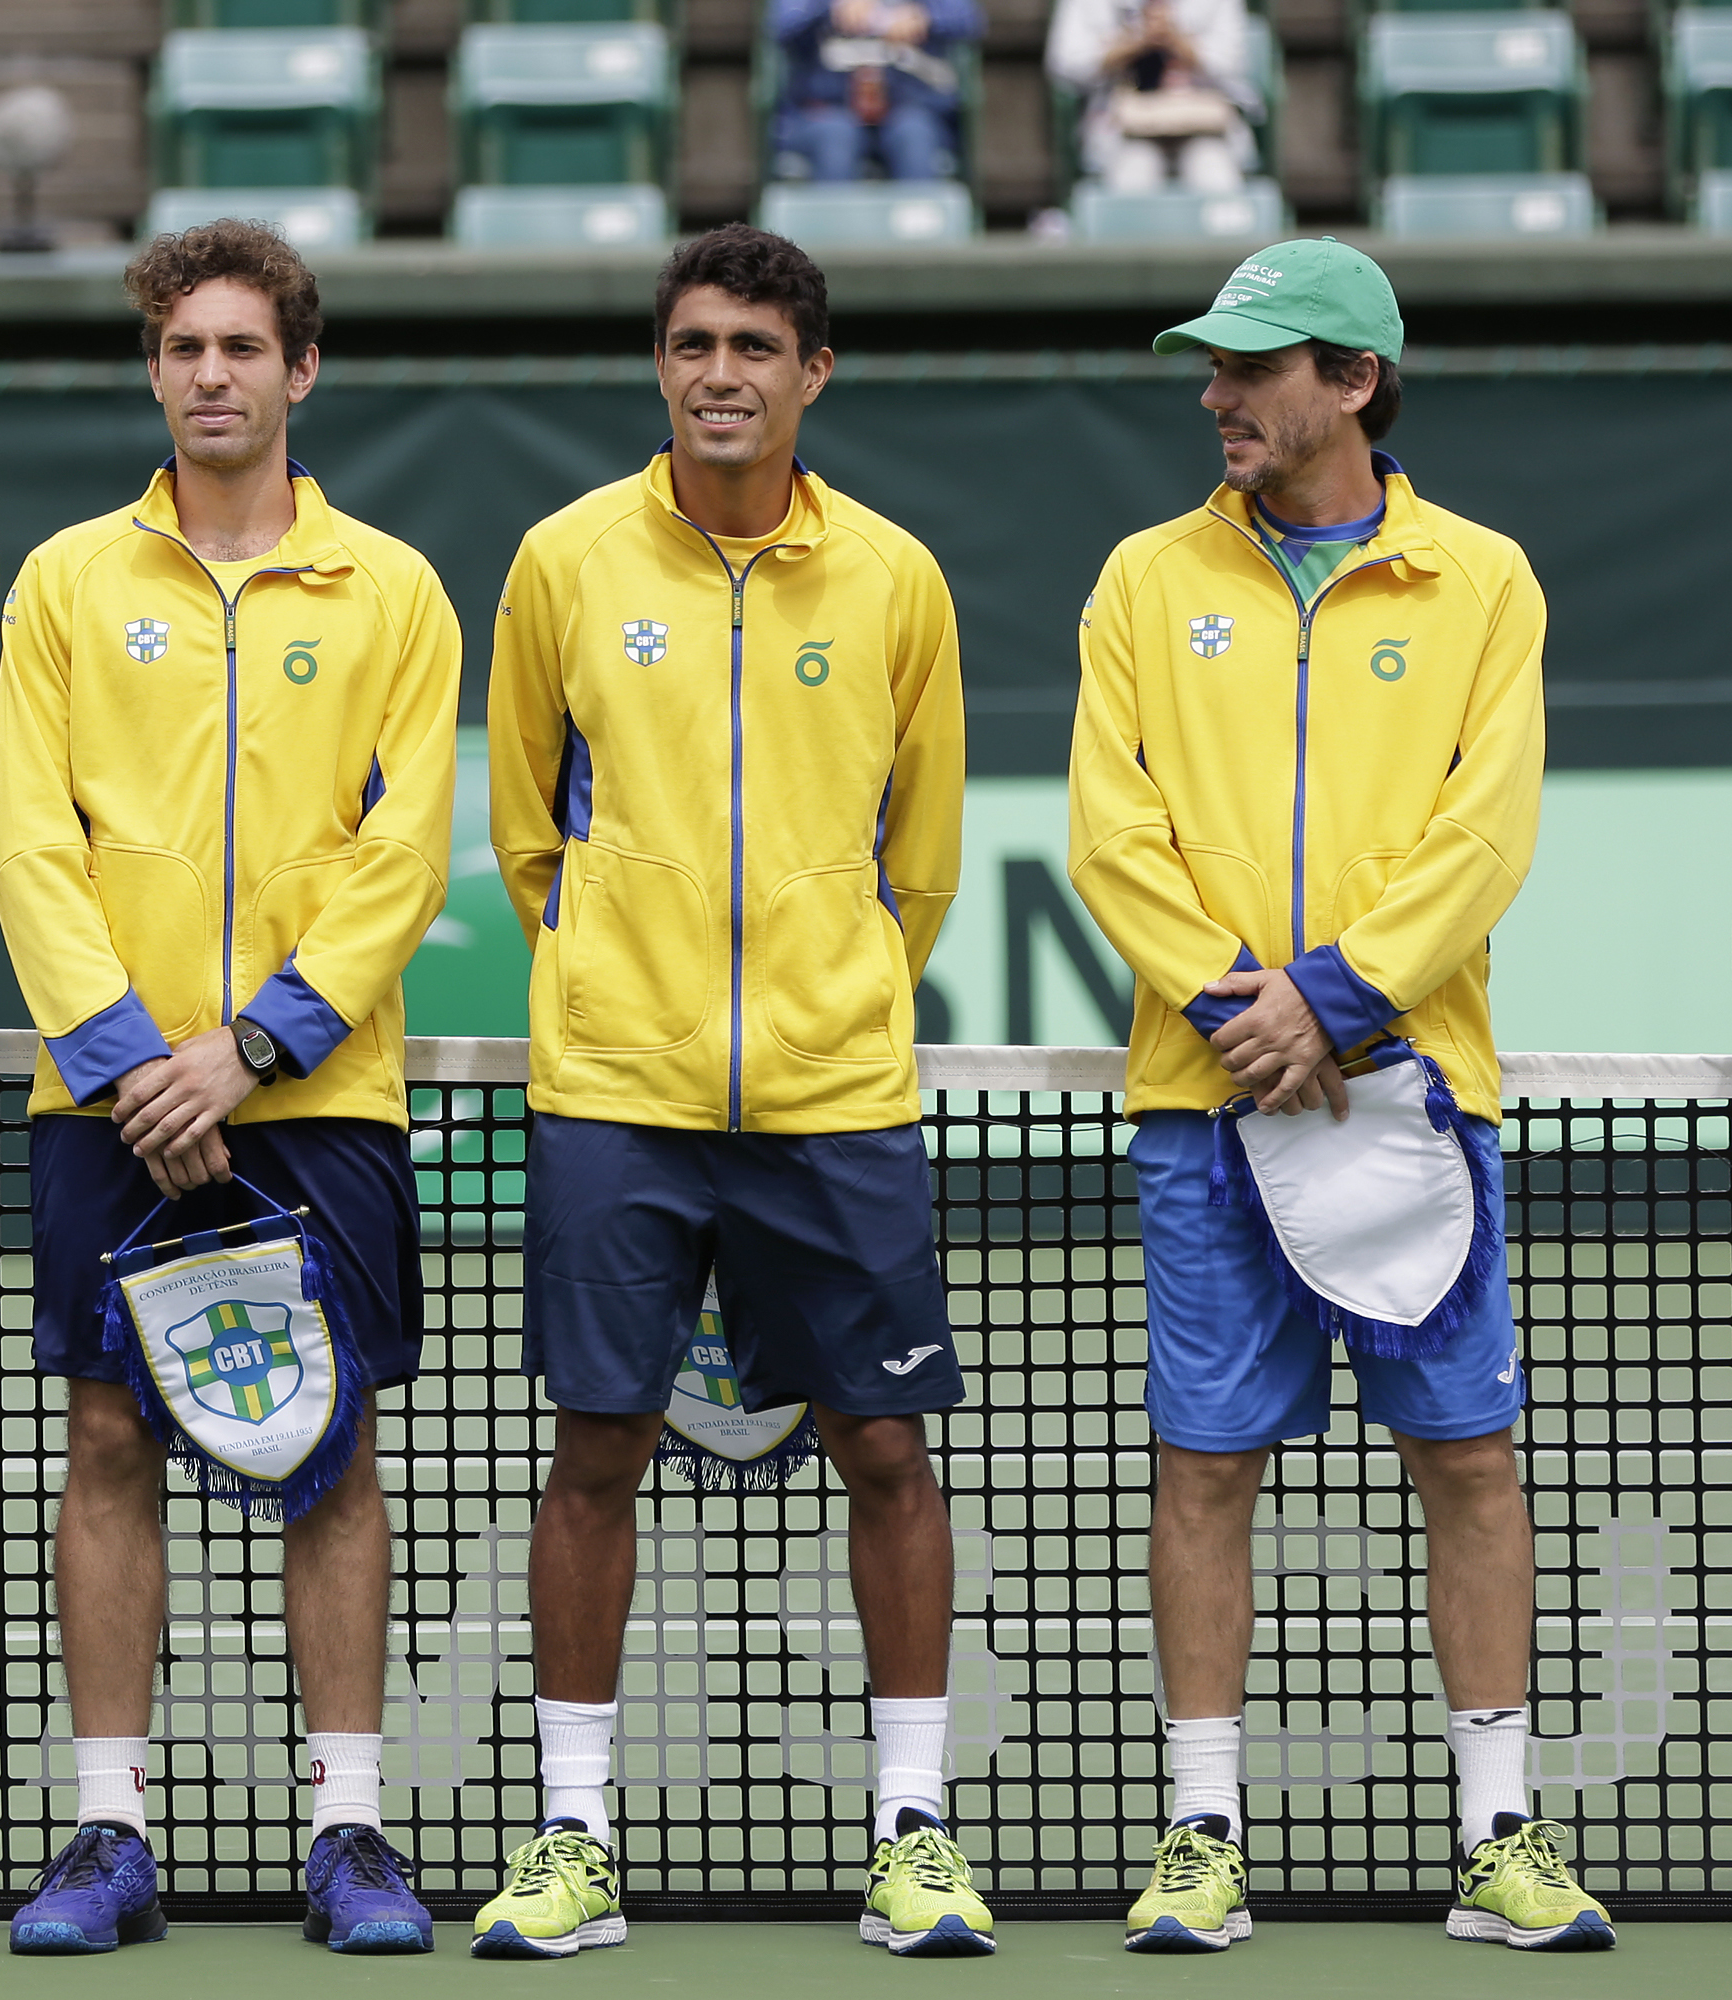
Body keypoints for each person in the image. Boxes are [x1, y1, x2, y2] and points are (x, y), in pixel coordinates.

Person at [1068, 239, 1614, 1956]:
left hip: (1416, 1099)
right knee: (1204, 1464)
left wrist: (1341, 999)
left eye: (1251, 368)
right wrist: (1257, 1013)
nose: (1216, 396)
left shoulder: (1488, 583)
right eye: (1211, 367)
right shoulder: (1144, 582)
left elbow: (1487, 830)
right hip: (1208, 1093)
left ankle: (1499, 1835)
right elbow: (1116, 831)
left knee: (1468, 1460)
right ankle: (1202, 1836)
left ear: (1354, 384)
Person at [484, 223, 979, 1960]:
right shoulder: (559, 559)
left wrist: (830, 987)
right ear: (661, 363)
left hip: (836, 1097)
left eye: (756, 348)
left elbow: (922, 854)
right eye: (693, 343)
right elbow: (528, 834)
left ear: (812, 374)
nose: (720, 375)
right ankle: (571, 1836)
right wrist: (624, 983)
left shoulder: (897, 580)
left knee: (888, 1447)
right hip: (618, 1088)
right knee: (594, 1449)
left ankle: (913, 1829)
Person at [0, 220, 458, 1958]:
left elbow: (403, 852)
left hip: (314, 1093)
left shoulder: (396, 591)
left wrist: (252, 1047)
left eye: (242, 347)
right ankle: (108, 1834)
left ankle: (350, 1831)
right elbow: (30, 846)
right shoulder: (59, 587)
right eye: (184, 347)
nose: (210, 375)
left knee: (329, 1450)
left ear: (299, 371)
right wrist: (134, 1066)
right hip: (110, 1103)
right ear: (155, 369)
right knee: (109, 1438)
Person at [1046, 0, 1260, 198]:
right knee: (1131, 183)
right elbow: (1065, 65)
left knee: (1216, 182)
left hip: (1207, 126)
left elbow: (1234, 63)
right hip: (1122, 129)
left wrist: (1178, 41)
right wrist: (1130, 44)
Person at [773, 0, 979, 185]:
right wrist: (832, 7)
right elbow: (779, 23)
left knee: (913, 137)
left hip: (911, 107)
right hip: (826, 110)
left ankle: (918, 225)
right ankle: (833, 226)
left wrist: (924, 16)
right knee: (836, 138)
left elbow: (968, 19)